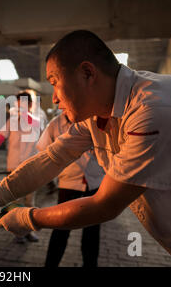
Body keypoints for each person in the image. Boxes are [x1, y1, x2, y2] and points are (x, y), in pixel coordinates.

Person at [0, 30, 171, 266]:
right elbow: (52, 157)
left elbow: (105, 205)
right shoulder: (98, 113)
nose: (53, 97)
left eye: (54, 81)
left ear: (87, 73)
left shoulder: (156, 109)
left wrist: (29, 218)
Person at [37, 113, 105, 267]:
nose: (58, 102)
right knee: (61, 228)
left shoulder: (95, 119)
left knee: (92, 231)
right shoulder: (56, 124)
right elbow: (43, 148)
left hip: (94, 180)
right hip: (69, 182)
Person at [0, 90, 41, 243]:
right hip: (13, 166)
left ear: (31, 105)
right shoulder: (12, 122)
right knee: (17, 202)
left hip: (32, 167)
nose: (19, 109)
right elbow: (1, 136)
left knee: (29, 202)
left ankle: (28, 231)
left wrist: (23, 114)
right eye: (18, 105)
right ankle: (18, 233)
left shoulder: (37, 120)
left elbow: (33, 123)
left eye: (23, 106)